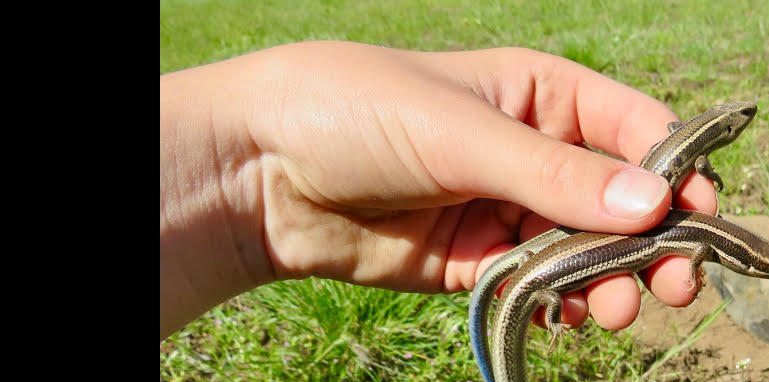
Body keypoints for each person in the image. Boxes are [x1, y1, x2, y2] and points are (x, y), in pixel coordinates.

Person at [160, 40, 722, 341]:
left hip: (549, 261)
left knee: (567, 283)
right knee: (565, 285)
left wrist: (263, 172)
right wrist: (263, 165)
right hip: (550, 266)